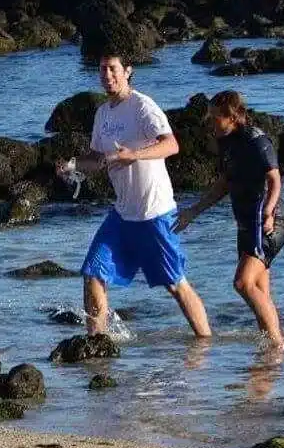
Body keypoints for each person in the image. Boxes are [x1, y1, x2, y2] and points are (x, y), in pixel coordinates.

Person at [56, 53, 211, 338]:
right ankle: (97, 345)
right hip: (122, 214)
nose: (107, 75)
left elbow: (172, 145)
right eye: (102, 69)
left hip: (154, 212)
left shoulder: (142, 106)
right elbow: (97, 158)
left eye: (113, 69)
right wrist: (73, 166)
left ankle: (205, 345)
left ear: (127, 71)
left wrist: (135, 155)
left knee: (175, 284)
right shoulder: (102, 113)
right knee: (93, 272)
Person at [173, 89, 284, 348]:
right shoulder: (227, 143)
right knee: (259, 290)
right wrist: (193, 211)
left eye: (215, 117)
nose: (210, 122)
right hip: (246, 223)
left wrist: (269, 212)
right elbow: (224, 184)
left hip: (269, 221)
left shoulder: (255, 140)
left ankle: (278, 345)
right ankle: (269, 357)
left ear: (232, 117)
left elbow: (275, 179)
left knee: (242, 282)